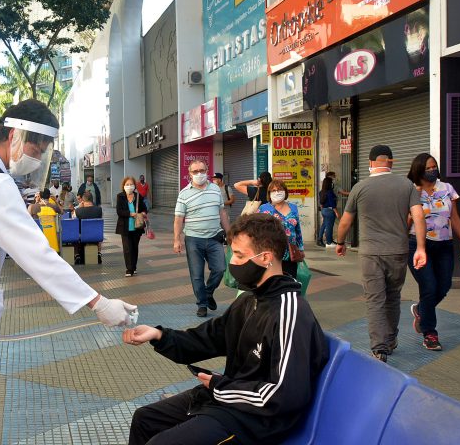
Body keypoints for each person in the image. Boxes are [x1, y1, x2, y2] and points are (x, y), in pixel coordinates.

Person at [0, 99, 137, 444]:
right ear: (15, 136)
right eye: (37, 146)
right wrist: (97, 302)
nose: (37, 156)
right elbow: (37, 254)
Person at [123, 213, 328, 445]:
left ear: (266, 258)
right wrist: (159, 335)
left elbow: (285, 395)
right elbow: (207, 339)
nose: (233, 263)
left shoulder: (291, 312)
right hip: (228, 401)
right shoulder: (249, 300)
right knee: (145, 419)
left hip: (257, 422)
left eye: (240, 255)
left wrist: (221, 387)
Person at [335, 145, 427, 363]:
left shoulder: (360, 187)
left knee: (375, 299)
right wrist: (421, 248)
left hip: (370, 253)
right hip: (398, 250)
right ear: (391, 162)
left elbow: (346, 221)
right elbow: (419, 217)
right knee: (393, 297)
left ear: (371, 162)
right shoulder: (407, 185)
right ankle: (392, 339)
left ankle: (379, 348)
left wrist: (340, 242)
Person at [406, 153, 460, 351]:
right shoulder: (410, 191)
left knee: (443, 286)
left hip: (444, 245)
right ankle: (430, 333)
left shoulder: (446, 188)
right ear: (418, 170)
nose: (432, 170)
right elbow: (404, 222)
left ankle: (421, 310)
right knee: (429, 287)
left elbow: (455, 217)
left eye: (434, 166)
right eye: (428, 168)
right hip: (418, 246)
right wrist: (413, 200)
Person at [174, 160, 230, 317]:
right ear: (190, 174)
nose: (199, 174)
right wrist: (177, 239)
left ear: (207, 170)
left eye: (202, 170)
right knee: (197, 274)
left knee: (220, 269)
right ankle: (202, 304)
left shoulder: (215, 190)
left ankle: (208, 292)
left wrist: (229, 232)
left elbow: (222, 213)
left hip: (214, 237)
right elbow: (179, 218)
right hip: (193, 239)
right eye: (195, 171)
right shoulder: (184, 193)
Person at [259, 180, 304, 278]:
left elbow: (297, 229)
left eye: (280, 189)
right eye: (273, 190)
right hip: (271, 253)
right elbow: (258, 230)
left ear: (285, 191)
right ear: (269, 194)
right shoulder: (263, 208)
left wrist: (300, 248)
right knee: (272, 283)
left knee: (289, 281)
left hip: (290, 253)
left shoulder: (293, 207)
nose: (277, 192)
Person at [116, 176, 148, 277]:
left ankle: (134, 267)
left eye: (131, 184)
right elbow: (119, 211)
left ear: (134, 186)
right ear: (124, 186)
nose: (129, 186)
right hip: (125, 227)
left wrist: (143, 213)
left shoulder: (139, 196)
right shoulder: (120, 196)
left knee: (134, 247)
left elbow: (145, 209)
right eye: (127, 184)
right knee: (127, 248)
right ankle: (129, 269)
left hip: (137, 227)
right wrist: (130, 214)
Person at [74, 191, 104, 264]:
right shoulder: (99, 210)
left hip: (82, 236)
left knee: (74, 233)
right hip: (96, 236)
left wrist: (79, 207)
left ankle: (77, 255)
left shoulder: (78, 211)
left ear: (83, 200)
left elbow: (73, 220)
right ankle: (99, 253)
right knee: (99, 232)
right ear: (92, 200)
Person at [317, 176, 340, 247]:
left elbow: (321, 203)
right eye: (332, 182)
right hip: (330, 211)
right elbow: (332, 203)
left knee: (324, 225)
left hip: (324, 210)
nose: (333, 184)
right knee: (329, 227)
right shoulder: (329, 192)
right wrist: (337, 212)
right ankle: (329, 242)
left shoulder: (321, 192)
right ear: (329, 184)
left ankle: (319, 239)